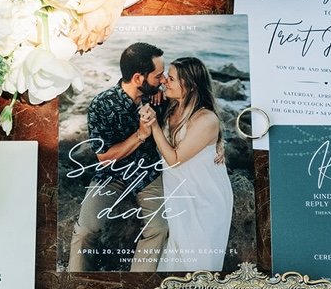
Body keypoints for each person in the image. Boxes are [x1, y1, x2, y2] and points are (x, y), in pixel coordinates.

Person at [67, 42, 169, 272]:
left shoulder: (157, 98)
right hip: (111, 175)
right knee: (85, 231)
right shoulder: (102, 105)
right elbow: (104, 157)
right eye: (158, 75)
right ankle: (76, 285)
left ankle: (138, 284)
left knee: (159, 229)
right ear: (138, 78)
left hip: (148, 173)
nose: (163, 80)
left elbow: (192, 107)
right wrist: (141, 135)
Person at [142, 57, 233, 272]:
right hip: (177, 193)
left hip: (205, 198)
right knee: (173, 259)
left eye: (171, 79)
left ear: (189, 85)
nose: (164, 81)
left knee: (198, 263)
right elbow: (137, 87)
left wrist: (154, 126)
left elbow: (174, 159)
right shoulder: (170, 107)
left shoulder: (206, 119)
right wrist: (153, 93)